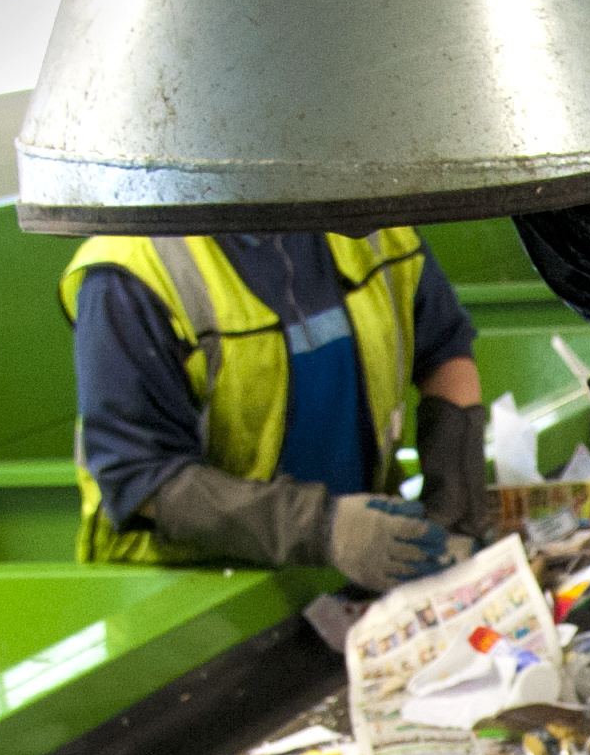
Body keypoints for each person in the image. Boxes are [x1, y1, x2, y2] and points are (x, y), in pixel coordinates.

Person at [63, 227, 491, 583]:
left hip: (349, 566)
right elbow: (142, 478)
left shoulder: (369, 223)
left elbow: (443, 350)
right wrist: (322, 527)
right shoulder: (131, 274)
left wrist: (453, 494)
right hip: (188, 595)